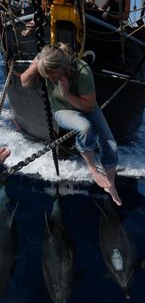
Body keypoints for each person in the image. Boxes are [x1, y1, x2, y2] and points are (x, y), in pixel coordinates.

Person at [20, 43, 122, 206]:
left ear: (64, 67)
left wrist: (66, 94)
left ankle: (111, 185)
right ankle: (93, 169)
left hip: (86, 106)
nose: (50, 78)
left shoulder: (82, 70)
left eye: (52, 74)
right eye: (46, 75)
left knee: (111, 146)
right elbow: (24, 83)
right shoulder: (45, 66)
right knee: (84, 127)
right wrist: (36, 65)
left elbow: (89, 106)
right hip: (62, 110)